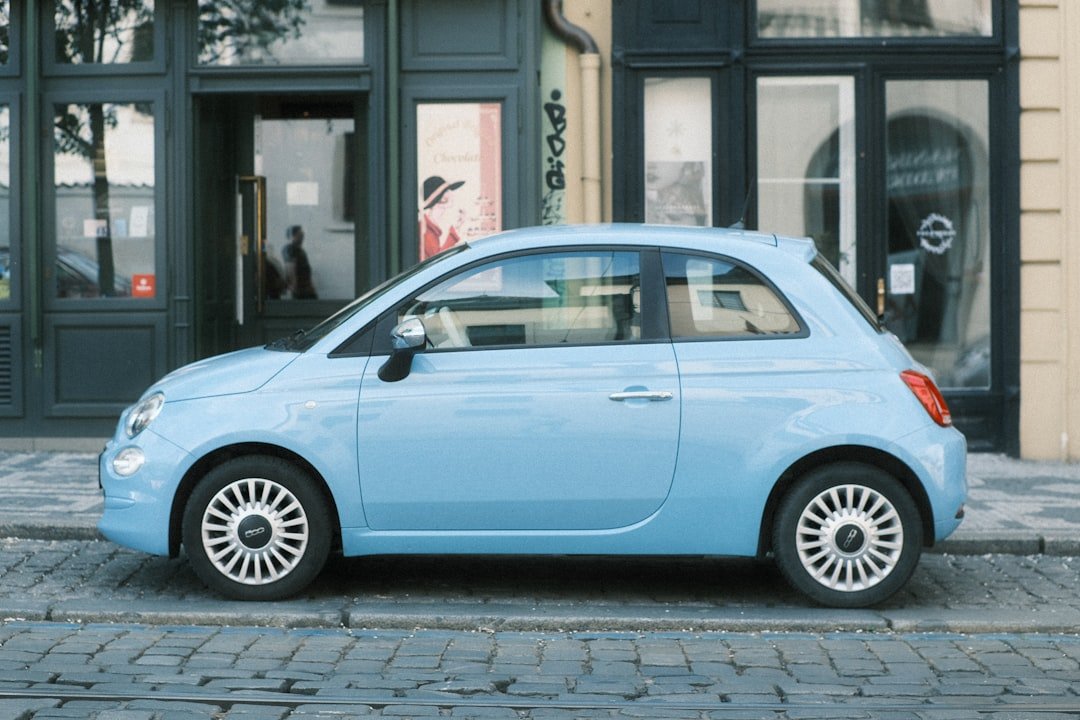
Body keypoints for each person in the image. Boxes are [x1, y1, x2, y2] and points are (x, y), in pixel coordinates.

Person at [419, 175, 465, 260]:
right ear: (442, 199)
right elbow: (438, 261)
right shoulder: (426, 230)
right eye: (447, 190)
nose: (451, 193)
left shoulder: (431, 226)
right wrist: (454, 231)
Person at [282, 225, 317, 299]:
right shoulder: (290, 249)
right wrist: (294, 286)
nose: (302, 237)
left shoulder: (301, 250)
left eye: (302, 235)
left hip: (306, 287)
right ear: (293, 236)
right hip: (300, 289)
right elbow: (290, 267)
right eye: (300, 235)